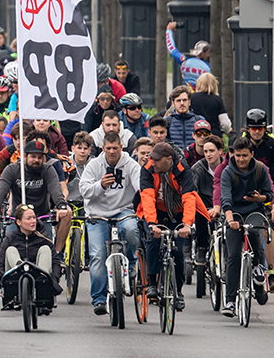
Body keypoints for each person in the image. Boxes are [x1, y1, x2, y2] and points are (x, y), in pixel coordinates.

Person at [219, 136, 274, 317]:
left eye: (245, 156)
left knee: (256, 232)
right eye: (238, 155)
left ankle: (258, 268)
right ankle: (230, 301)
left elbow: (269, 194)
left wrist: (260, 198)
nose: (241, 159)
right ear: (233, 154)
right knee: (233, 256)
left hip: (254, 211)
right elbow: (226, 198)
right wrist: (230, 218)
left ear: (251, 154)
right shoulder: (227, 172)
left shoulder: (260, 169)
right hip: (234, 214)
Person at [79, 134, 142, 315]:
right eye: (108, 148)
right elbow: (84, 190)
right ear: (103, 148)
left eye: (116, 148)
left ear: (121, 147)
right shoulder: (94, 165)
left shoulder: (130, 164)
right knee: (98, 254)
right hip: (98, 214)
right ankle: (99, 299)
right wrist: (100, 185)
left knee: (131, 229)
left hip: (124, 210)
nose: (112, 152)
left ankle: (130, 265)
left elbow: (140, 186)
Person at [138, 141, 201, 308]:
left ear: (169, 159)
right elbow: (147, 198)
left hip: (178, 213)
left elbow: (189, 198)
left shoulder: (183, 170)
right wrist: (152, 223)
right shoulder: (147, 169)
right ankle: (152, 282)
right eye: (152, 159)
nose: (153, 163)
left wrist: (187, 224)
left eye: (157, 160)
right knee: (152, 241)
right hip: (156, 212)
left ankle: (178, 292)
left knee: (178, 252)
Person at [237, 108, 274, 290]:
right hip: (242, 193)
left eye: (260, 128)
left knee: (268, 232)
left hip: (267, 191)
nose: (257, 132)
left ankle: (272, 275)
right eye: (253, 128)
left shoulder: (273, 145)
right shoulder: (240, 144)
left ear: (265, 128)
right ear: (247, 128)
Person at [0, 204, 57, 282]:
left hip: (39, 278)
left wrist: (55, 279)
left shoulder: (43, 237)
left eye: (34, 218)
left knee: (45, 249)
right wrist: (1, 281)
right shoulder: (11, 237)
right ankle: (20, 267)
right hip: (15, 279)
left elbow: (55, 261)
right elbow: (0, 262)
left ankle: (43, 278)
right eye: (28, 218)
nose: (33, 221)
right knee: (10, 250)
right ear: (19, 222)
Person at [166, 21, 211, 86]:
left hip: (186, 94)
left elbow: (172, 49)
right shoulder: (208, 68)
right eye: (208, 52)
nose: (209, 55)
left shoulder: (184, 61)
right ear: (203, 52)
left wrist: (169, 31)